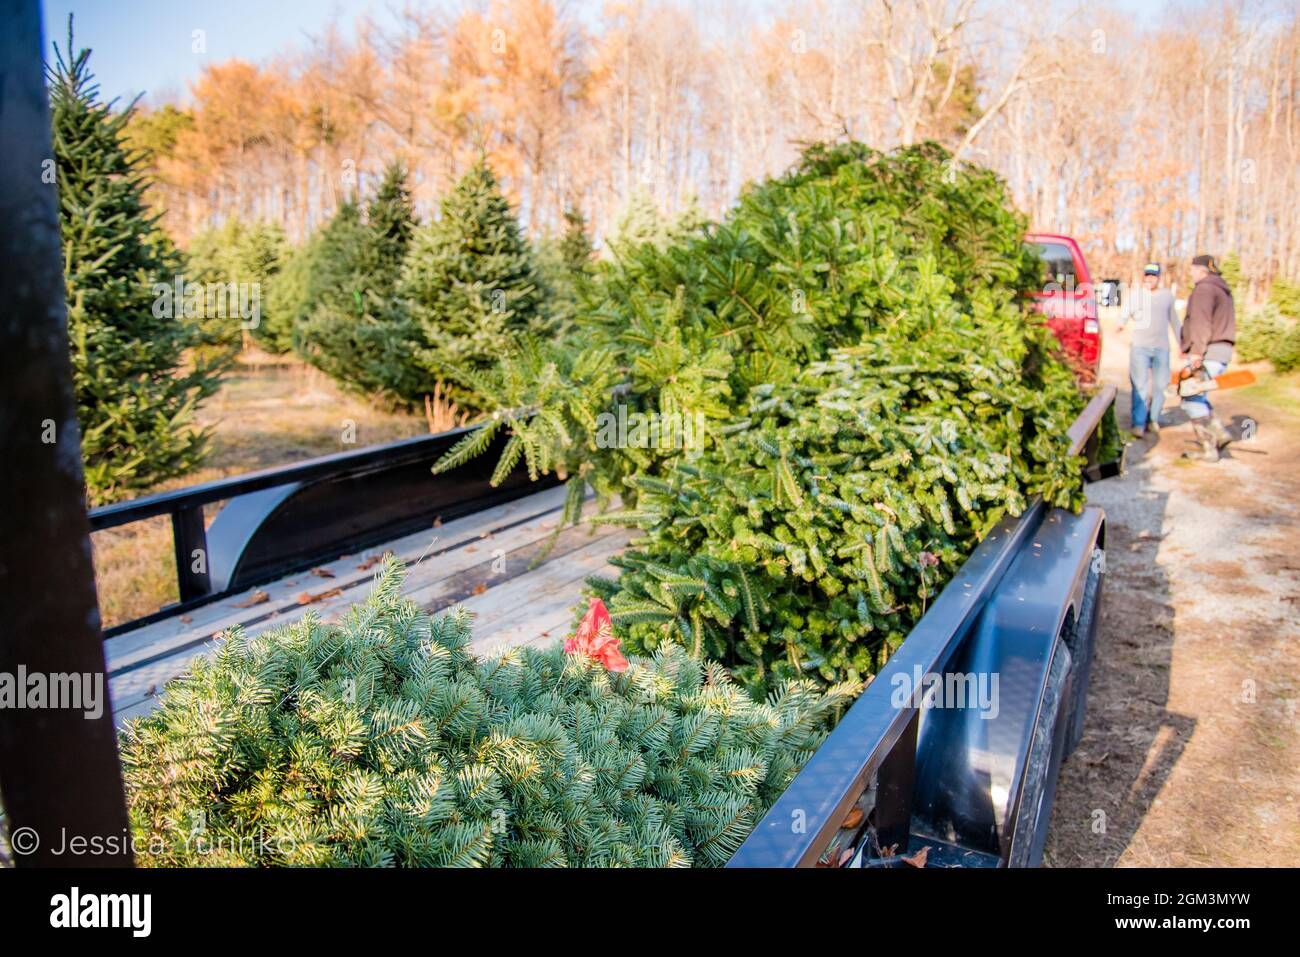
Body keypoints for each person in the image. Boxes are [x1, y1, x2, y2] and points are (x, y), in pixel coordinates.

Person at [1179, 253, 1236, 462]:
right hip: (1219, 352)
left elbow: (1201, 322)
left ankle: (1210, 446)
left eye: (1193, 270)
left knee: (1191, 397)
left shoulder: (1204, 289)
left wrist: (1196, 353)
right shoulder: (1222, 288)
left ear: (1201, 270)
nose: (1191, 273)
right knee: (1199, 396)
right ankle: (1220, 434)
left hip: (1207, 352)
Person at [1117, 262, 1179, 437]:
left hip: (1161, 348)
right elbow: (1124, 314)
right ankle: (1138, 422)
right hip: (1140, 347)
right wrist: (1120, 324)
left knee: (1161, 385)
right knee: (1140, 385)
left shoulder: (1167, 296)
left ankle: (1153, 418)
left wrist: (1182, 344)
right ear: (1144, 276)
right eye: (1148, 275)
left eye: (1154, 276)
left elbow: (1174, 321)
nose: (1150, 278)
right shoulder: (1135, 296)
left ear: (1159, 278)